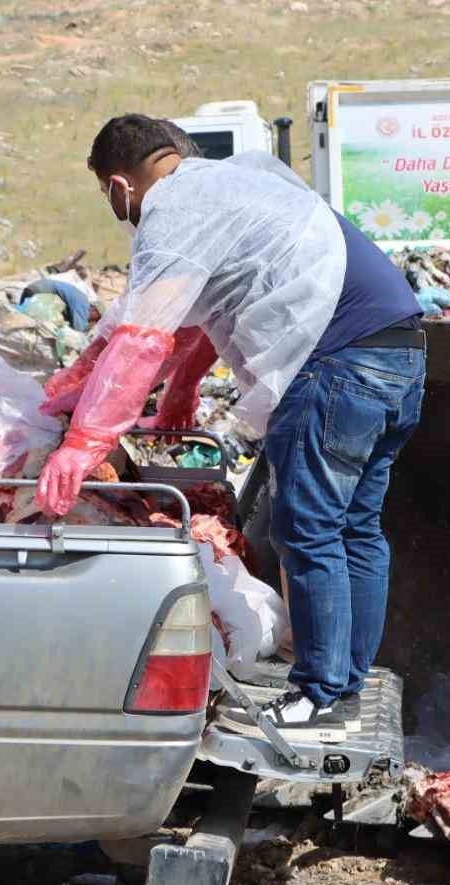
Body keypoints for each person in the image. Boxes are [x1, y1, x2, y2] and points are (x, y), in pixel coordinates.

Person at [35, 115, 426, 734]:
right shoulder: (236, 184)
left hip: (338, 364)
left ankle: (319, 693)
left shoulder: (174, 208)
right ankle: (346, 680)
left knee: (309, 528)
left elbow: (141, 337)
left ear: (118, 187)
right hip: (399, 357)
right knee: (355, 528)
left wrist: (85, 442)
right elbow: (211, 308)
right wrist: (185, 385)